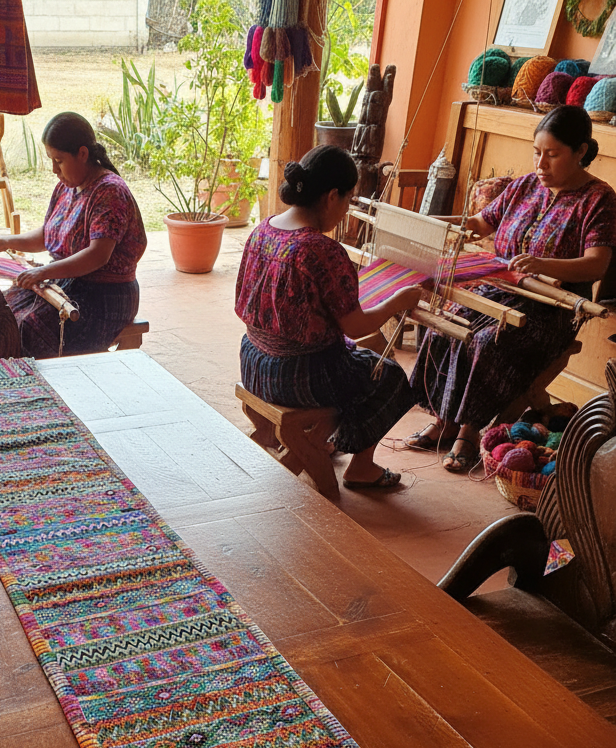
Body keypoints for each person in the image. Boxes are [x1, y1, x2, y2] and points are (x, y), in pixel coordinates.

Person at [407, 105, 616, 473]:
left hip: (550, 309)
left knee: (488, 342)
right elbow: (479, 223)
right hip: (498, 290)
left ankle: (468, 433)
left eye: (552, 155)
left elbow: (597, 263)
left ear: (581, 151)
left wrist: (542, 265)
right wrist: (428, 225)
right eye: (537, 152)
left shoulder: (598, 199)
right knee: (445, 324)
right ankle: (444, 420)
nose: (541, 164)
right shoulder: (523, 186)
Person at [234, 144, 422, 490]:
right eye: (349, 200)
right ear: (332, 195)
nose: (346, 210)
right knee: (388, 376)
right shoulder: (320, 250)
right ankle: (360, 466)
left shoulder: (264, 230)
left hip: (254, 362)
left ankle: (325, 440)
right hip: (298, 377)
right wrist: (399, 300)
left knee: (355, 360)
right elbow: (357, 326)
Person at [0, 112, 146, 359]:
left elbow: (98, 255)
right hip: (66, 284)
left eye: (59, 160)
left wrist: (43, 272)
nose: (54, 169)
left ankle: (34, 389)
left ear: (82, 154)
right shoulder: (66, 186)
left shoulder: (109, 192)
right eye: (51, 160)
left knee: (27, 329)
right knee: (0, 311)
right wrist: (7, 242)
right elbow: (48, 234)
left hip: (104, 297)